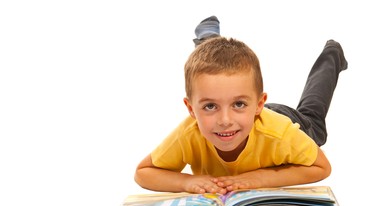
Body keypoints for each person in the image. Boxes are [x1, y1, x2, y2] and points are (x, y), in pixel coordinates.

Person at [135, 16, 348, 195]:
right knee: (216, 69)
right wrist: (186, 182)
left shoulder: (282, 135)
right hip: (247, 113)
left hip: (288, 120)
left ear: (259, 104)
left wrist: (261, 177)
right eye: (210, 107)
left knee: (312, 111)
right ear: (191, 109)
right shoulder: (189, 133)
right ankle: (210, 41)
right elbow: (143, 172)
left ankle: (333, 53)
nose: (225, 121)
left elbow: (322, 167)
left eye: (237, 104)